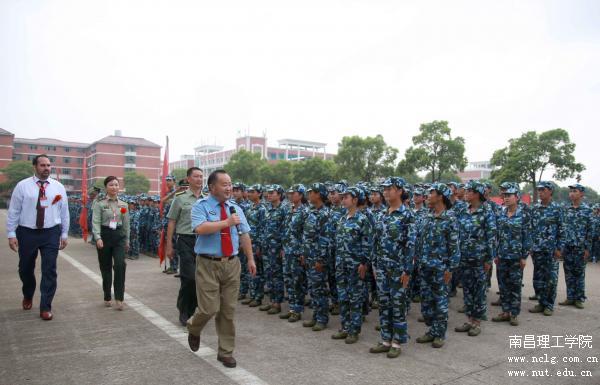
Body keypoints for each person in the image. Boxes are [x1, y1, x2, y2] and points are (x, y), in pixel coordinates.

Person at [186, 170, 257, 369]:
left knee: (228, 311)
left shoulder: (236, 209)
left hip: (232, 263)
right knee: (209, 308)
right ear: (212, 187)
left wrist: (250, 258)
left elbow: (244, 234)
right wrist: (226, 223)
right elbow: (199, 228)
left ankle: (225, 352)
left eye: (230, 184)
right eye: (224, 184)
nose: (229, 188)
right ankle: (194, 327)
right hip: (208, 263)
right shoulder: (200, 206)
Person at [7, 154, 69, 321]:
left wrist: (64, 233)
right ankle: (28, 294)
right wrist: (11, 233)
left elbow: (64, 212)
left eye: (48, 165)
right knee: (25, 268)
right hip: (27, 232)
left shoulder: (58, 187)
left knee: (49, 270)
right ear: (35, 167)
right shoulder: (22, 186)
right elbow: (14, 211)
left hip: (50, 232)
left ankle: (45, 306)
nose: (46, 168)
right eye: (42, 165)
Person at [369, 177, 415, 357]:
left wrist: (407, 270)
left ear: (400, 191)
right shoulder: (381, 214)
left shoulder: (407, 215)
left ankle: (397, 342)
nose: (386, 192)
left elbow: (410, 245)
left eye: (390, 188)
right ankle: (385, 339)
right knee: (384, 304)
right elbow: (376, 241)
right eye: (384, 189)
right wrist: (374, 263)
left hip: (398, 268)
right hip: (381, 267)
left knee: (398, 305)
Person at [417, 183, 460, 348]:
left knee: (440, 302)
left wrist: (450, 268)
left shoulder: (450, 218)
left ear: (440, 196)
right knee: (427, 302)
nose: (428, 196)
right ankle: (432, 329)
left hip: (441, 268)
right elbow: (420, 241)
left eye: (431, 193)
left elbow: (454, 246)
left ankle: (439, 334)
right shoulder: (427, 216)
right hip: (425, 266)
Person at [331, 187, 373, 344]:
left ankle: (354, 330)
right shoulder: (342, 219)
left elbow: (367, 244)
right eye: (342, 198)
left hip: (355, 266)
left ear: (355, 200)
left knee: (354, 298)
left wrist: (364, 263)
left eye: (346, 197)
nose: (343, 200)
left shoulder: (362, 220)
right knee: (343, 297)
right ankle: (345, 327)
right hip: (341, 265)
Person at [454, 181, 496, 337]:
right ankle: (469, 319)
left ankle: (477, 322)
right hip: (464, 257)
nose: (465, 193)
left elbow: (491, 238)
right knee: (467, 289)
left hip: (479, 259)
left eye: (469, 191)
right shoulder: (463, 211)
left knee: (478, 291)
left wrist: (488, 260)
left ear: (477, 194)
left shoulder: (487, 212)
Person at [166, 167, 203, 325]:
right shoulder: (180, 198)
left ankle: (192, 309)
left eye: (201, 176)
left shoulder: (206, 199)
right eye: (196, 176)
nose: (199, 179)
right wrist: (169, 245)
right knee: (188, 278)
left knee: (200, 279)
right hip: (185, 240)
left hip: (203, 241)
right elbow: (172, 221)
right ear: (188, 179)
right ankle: (183, 309)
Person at [492, 184, 530, 326]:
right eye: (505, 196)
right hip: (502, 256)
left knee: (514, 286)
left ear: (517, 197)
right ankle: (505, 311)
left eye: (510, 195)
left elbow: (527, 236)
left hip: (515, 257)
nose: (506, 198)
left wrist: (524, 257)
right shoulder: (501, 214)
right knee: (503, 285)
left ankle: (514, 313)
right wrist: (495, 253)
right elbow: (497, 236)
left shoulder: (523, 215)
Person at [92, 176, 130, 310]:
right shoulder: (100, 204)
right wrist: (98, 238)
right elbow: (95, 221)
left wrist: (127, 240)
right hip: (105, 236)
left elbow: (126, 224)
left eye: (116, 185)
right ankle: (107, 295)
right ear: (106, 187)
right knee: (105, 267)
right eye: (111, 185)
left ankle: (119, 298)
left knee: (120, 265)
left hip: (119, 236)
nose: (114, 187)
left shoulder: (123, 204)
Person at [528, 181, 563, 316]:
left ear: (550, 191)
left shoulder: (557, 209)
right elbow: (531, 228)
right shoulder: (535, 208)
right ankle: (541, 302)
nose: (540, 192)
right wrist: (530, 246)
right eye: (539, 190)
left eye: (543, 190)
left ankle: (548, 305)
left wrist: (559, 248)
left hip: (551, 250)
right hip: (537, 249)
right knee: (538, 278)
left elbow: (562, 229)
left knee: (551, 279)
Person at [301, 183, 331, 332]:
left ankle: (322, 318)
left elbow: (325, 239)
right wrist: (304, 253)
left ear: (319, 194)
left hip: (318, 258)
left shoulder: (325, 214)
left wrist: (321, 259)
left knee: (319, 289)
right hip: (309, 256)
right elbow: (307, 235)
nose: (309, 194)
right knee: (313, 289)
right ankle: (315, 315)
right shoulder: (311, 212)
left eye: (312, 192)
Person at [558, 184, 593, 309]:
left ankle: (579, 298)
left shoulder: (587, 210)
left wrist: (587, 248)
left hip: (580, 247)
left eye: (575, 191)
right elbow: (562, 228)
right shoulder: (566, 209)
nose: (571, 193)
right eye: (570, 191)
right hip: (568, 246)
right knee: (568, 273)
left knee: (579, 273)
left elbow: (590, 230)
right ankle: (570, 297)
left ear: (581, 194)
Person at [280, 184, 308, 322]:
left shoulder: (305, 211)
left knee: (298, 281)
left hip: (297, 252)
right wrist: (283, 248)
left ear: (301, 195)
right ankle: (291, 308)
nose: (290, 195)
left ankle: (297, 309)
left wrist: (303, 252)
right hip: (288, 250)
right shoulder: (288, 209)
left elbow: (306, 234)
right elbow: (285, 230)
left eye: (294, 193)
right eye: (289, 193)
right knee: (288, 280)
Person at [259, 185, 286, 314]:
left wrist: (283, 247)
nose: (268, 195)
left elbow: (286, 230)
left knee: (277, 275)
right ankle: (271, 301)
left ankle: (277, 303)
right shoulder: (268, 209)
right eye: (268, 193)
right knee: (269, 274)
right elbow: (264, 228)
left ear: (279, 195)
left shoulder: (284, 209)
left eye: (272, 193)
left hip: (277, 248)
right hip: (267, 247)